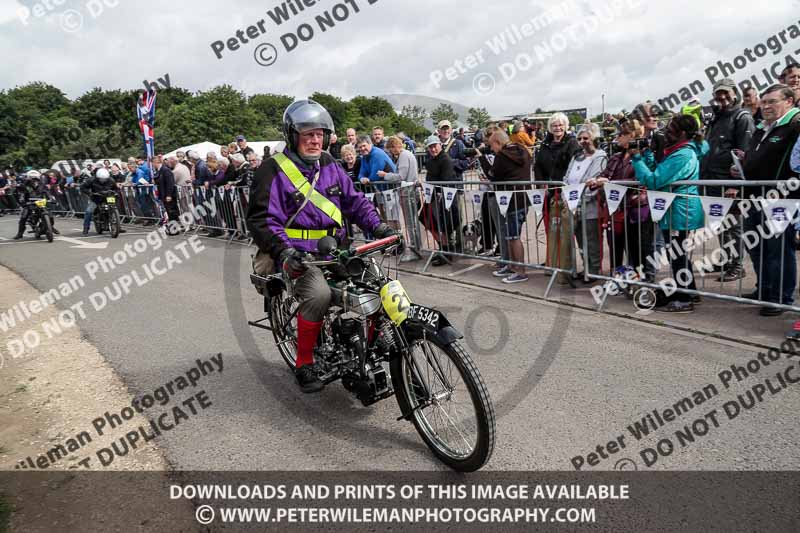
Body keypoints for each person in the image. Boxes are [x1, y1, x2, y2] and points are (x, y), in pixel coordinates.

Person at [245, 99, 395, 393]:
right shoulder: (271, 170)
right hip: (299, 256)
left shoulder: (329, 164)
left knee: (381, 287)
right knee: (319, 294)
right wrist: (285, 252)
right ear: (293, 135)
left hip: (336, 250)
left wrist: (377, 225)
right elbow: (262, 220)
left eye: (320, 134)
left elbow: (354, 201)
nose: (315, 140)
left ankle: (377, 349)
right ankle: (304, 363)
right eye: (307, 134)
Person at [631, 114, 708, 313]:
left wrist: (636, 159)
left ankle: (684, 299)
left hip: (680, 211)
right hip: (675, 209)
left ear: (682, 133)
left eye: (670, 128)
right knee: (678, 254)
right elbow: (659, 171)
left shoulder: (683, 154)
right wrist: (647, 155)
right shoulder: (678, 151)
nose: (665, 132)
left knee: (678, 256)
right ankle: (688, 291)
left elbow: (654, 180)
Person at [735, 84, 800, 316]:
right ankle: (764, 289)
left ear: (789, 102)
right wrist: (743, 165)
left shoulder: (795, 124)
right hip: (753, 197)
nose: (766, 106)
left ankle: (780, 298)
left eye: (772, 101)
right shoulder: (762, 127)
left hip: (781, 199)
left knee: (779, 249)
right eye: (764, 102)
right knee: (757, 248)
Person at [700, 78, 755, 282]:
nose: (721, 97)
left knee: (733, 225)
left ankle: (737, 265)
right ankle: (725, 258)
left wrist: (735, 185)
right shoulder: (715, 118)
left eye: (726, 92)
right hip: (712, 181)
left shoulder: (742, 117)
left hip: (728, 183)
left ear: (735, 94)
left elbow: (745, 153)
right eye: (718, 93)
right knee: (719, 223)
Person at [598, 118, 655, 279]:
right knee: (615, 248)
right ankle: (619, 280)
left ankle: (645, 283)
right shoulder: (616, 157)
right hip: (617, 209)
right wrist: (597, 181)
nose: (617, 139)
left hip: (637, 210)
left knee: (639, 250)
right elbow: (605, 174)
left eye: (620, 135)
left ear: (630, 135)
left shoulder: (644, 154)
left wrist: (611, 183)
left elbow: (643, 178)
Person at [477, 129, 532, 283]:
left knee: (514, 237)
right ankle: (512, 266)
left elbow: (492, 174)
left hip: (511, 200)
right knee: (511, 236)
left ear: (498, 143)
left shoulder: (502, 155)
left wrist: (481, 159)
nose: (492, 149)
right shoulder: (522, 149)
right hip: (522, 199)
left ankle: (520, 271)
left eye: (492, 145)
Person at [534, 112, 581, 283]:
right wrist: (541, 184)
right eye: (554, 125)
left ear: (566, 126)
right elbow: (538, 166)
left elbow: (577, 165)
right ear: (550, 128)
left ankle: (568, 269)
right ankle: (553, 263)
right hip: (549, 194)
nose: (558, 128)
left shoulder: (572, 143)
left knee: (566, 232)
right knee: (551, 230)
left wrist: (566, 184)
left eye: (561, 125)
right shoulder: (545, 144)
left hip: (567, 193)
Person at [564, 123, 608, 280]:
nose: (582, 141)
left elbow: (594, 179)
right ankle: (586, 268)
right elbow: (567, 176)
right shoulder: (577, 156)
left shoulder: (601, 156)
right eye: (580, 138)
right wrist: (567, 193)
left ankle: (594, 270)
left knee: (591, 239)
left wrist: (581, 195)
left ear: (594, 138)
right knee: (580, 240)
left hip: (590, 205)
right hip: (573, 204)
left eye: (586, 138)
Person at [421, 135, 459, 266]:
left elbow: (446, 180)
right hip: (432, 197)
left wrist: (435, 189)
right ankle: (443, 247)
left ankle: (446, 251)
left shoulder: (445, 159)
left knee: (444, 225)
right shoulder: (431, 160)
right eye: (430, 147)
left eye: (434, 146)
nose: (432, 149)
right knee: (426, 219)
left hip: (445, 197)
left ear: (440, 145)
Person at [378, 136, 419, 237]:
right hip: (411, 191)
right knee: (412, 221)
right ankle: (416, 243)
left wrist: (385, 175)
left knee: (410, 222)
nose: (390, 152)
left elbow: (401, 176)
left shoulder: (403, 156)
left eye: (390, 149)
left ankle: (415, 244)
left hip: (407, 193)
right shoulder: (408, 154)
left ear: (394, 146)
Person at [79, 167, 117, 235]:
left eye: (105, 179)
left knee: (114, 208)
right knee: (88, 211)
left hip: (108, 197)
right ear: (97, 177)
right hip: (96, 198)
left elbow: (116, 189)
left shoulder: (111, 180)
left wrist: (116, 193)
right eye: (101, 179)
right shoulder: (91, 180)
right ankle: (86, 228)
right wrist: (89, 193)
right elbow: (82, 187)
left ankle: (117, 225)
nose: (103, 180)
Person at [153, 155, 179, 235]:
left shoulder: (165, 170)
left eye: (153, 163)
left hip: (168, 195)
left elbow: (170, 183)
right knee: (169, 212)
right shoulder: (160, 170)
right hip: (163, 194)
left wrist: (169, 195)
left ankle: (174, 230)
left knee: (172, 212)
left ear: (156, 162)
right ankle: (171, 229)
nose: (152, 165)